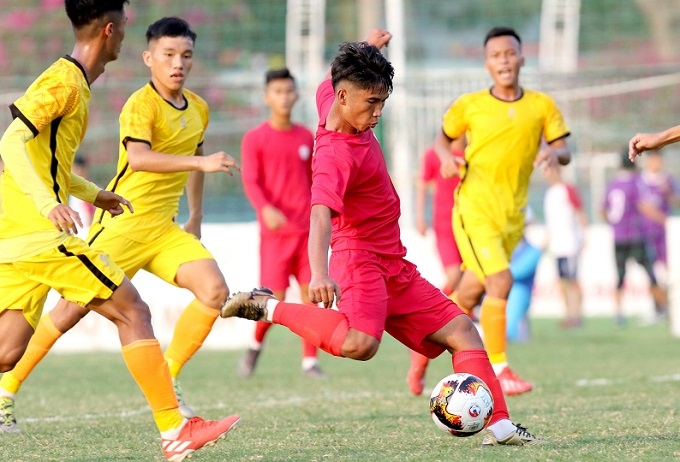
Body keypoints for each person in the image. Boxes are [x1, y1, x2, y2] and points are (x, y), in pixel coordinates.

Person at [221, 28, 544, 446]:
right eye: (372, 103)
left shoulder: (332, 97)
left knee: (462, 330)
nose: (377, 113)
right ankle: (267, 306)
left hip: (394, 262)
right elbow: (320, 214)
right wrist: (319, 271)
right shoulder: (335, 154)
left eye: (382, 103)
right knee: (360, 344)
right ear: (344, 99)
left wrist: (369, 45)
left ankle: (500, 425)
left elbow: (335, 75)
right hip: (359, 259)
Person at [0, 11, 240, 460]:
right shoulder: (67, 82)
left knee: (7, 350)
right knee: (133, 310)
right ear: (110, 30)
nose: (178, 62)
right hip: (40, 234)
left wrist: (95, 193)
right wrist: (48, 205)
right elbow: (11, 142)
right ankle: (175, 428)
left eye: (185, 55)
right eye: (125, 26)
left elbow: (45, 162)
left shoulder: (74, 83)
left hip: (19, 234)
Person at [433, 26, 571, 396]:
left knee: (468, 294)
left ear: (522, 59)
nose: (504, 60)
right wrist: (446, 158)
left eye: (510, 53)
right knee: (501, 282)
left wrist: (552, 153)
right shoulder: (470, 104)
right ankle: (500, 370)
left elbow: (564, 149)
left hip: (513, 217)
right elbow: (442, 140)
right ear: (487, 63)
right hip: (475, 208)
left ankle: (420, 357)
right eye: (496, 55)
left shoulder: (542, 105)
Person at [239, 68, 325, 378]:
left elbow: (317, 179)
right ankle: (254, 347)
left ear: (297, 94)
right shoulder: (255, 138)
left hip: (306, 233)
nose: (284, 97)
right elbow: (251, 180)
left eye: (289, 91)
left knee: (311, 296)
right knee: (271, 296)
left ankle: (310, 362)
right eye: (277, 91)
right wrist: (265, 208)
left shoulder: (306, 137)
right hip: (275, 235)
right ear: (266, 97)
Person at [407, 141, 465, 396]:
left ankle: (427, 354)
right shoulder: (434, 153)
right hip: (445, 224)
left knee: (469, 291)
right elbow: (422, 184)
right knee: (456, 277)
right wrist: (420, 215)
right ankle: (425, 328)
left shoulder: (475, 149)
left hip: (473, 225)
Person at [603, 149, 667, 326]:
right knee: (651, 274)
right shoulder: (635, 183)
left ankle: (618, 315)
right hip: (635, 236)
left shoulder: (612, 185)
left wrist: (615, 224)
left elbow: (603, 210)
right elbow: (643, 206)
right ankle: (663, 309)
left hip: (618, 237)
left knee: (620, 276)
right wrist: (664, 220)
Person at [543, 165, 587, 329]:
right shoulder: (549, 194)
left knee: (573, 280)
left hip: (570, 244)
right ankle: (568, 314)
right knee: (562, 282)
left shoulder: (567, 189)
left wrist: (584, 235)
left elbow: (580, 211)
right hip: (557, 246)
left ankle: (578, 315)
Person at [637, 151, 679, 320]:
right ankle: (656, 307)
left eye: (659, 159)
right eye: (653, 159)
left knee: (666, 271)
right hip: (645, 232)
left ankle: (667, 307)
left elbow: (677, 201)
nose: (657, 163)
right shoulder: (640, 181)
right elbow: (639, 205)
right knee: (650, 271)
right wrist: (658, 217)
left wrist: (669, 194)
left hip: (664, 234)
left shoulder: (667, 181)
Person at [69, 155, 96, 237]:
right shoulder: (72, 192)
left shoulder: (89, 191)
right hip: (76, 235)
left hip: (87, 235)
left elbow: (92, 215)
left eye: (75, 169)